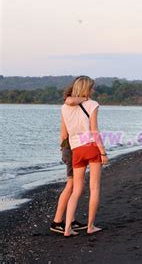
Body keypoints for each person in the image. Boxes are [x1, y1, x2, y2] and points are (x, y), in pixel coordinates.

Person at [61, 76, 108, 236]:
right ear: (87, 88)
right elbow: (94, 130)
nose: (93, 90)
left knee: (77, 190)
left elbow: (64, 134)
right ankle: (90, 226)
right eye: (91, 87)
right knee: (94, 188)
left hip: (76, 150)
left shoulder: (64, 107)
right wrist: (103, 151)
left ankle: (67, 228)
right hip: (91, 147)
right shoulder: (92, 104)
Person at [50, 81, 89, 234]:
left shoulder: (71, 108)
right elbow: (69, 100)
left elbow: (63, 131)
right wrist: (85, 99)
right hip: (71, 148)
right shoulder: (69, 104)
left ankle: (70, 220)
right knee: (72, 185)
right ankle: (57, 221)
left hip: (68, 147)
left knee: (74, 185)